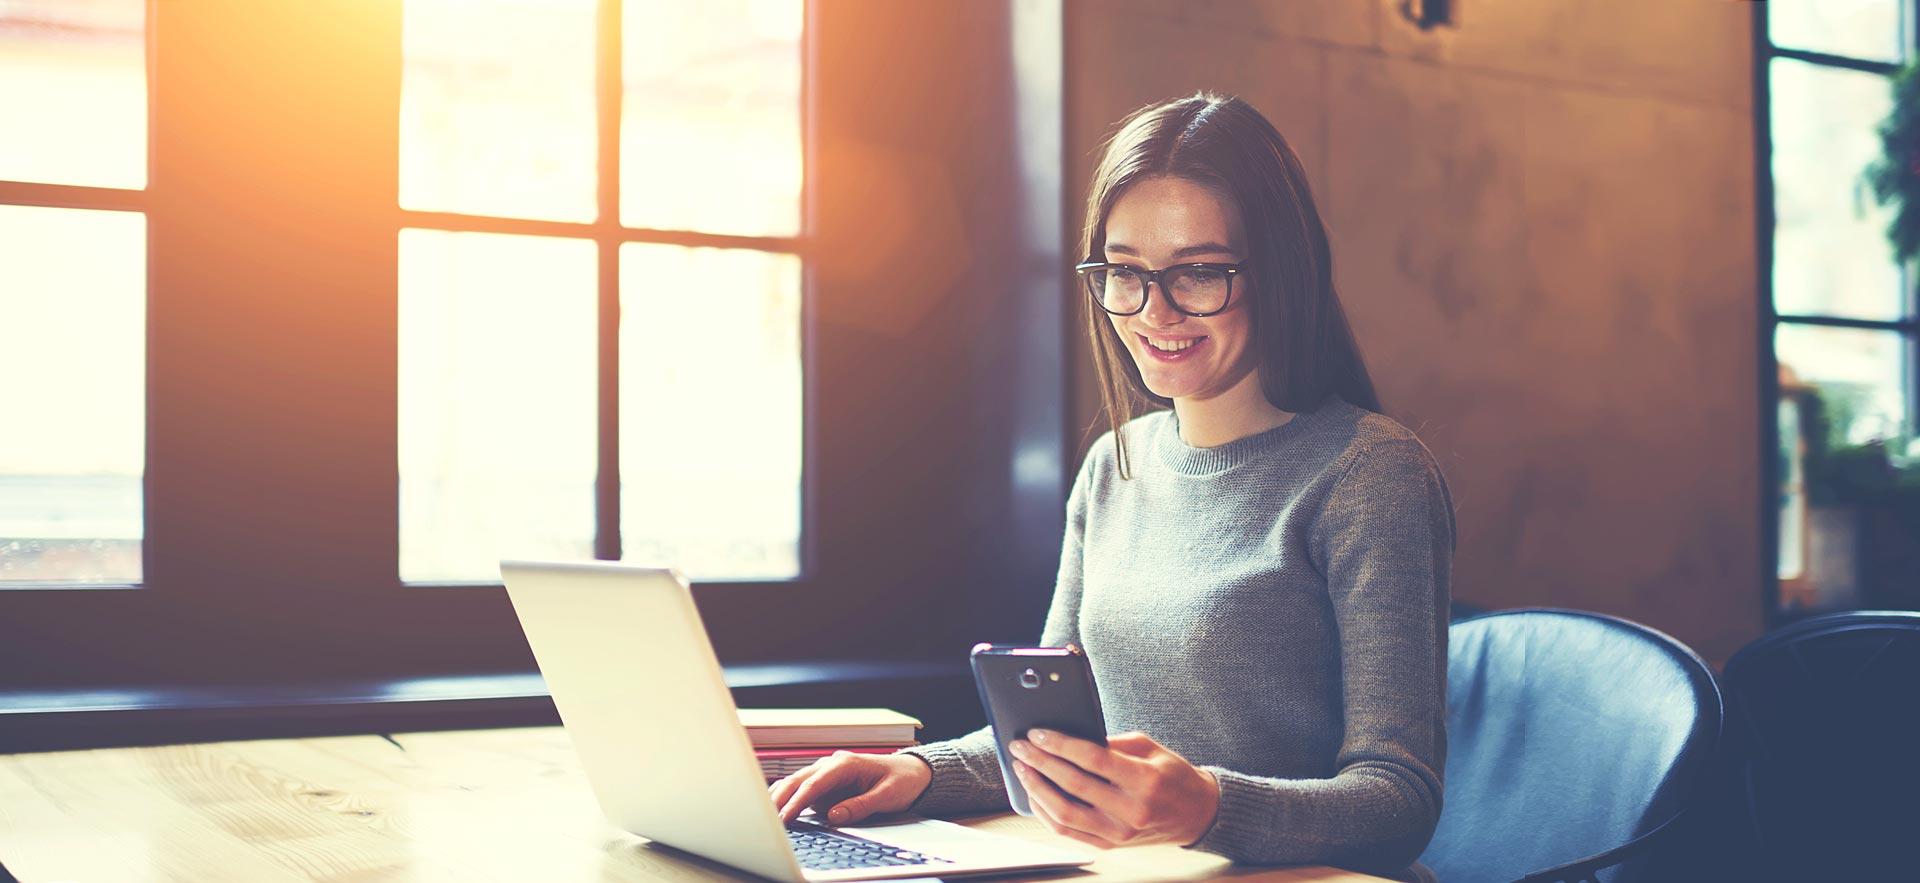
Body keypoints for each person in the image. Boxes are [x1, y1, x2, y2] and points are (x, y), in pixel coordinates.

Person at [768, 91, 1455, 883]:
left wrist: (1206, 805)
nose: (1153, 311)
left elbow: (1399, 801)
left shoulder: (1370, 472)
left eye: (1198, 272)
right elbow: (1054, 741)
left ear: (1279, 271)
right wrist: (923, 772)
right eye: (1124, 273)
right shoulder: (1114, 464)